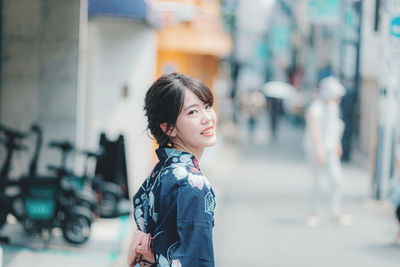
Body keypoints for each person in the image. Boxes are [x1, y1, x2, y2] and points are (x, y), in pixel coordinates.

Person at [128, 73, 217, 267]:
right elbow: (196, 260)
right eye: (193, 112)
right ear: (169, 128)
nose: (207, 118)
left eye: (207, 106)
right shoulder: (192, 184)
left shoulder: (164, 170)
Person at [303, 76, 351, 226]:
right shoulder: (315, 107)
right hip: (316, 150)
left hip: (330, 149)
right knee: (317, 182)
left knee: (337, 180)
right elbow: (314, 130)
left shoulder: (333, 106)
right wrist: (319, 150)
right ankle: (313, 212)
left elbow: (335, 127)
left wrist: (337, 144)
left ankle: (334, 210)